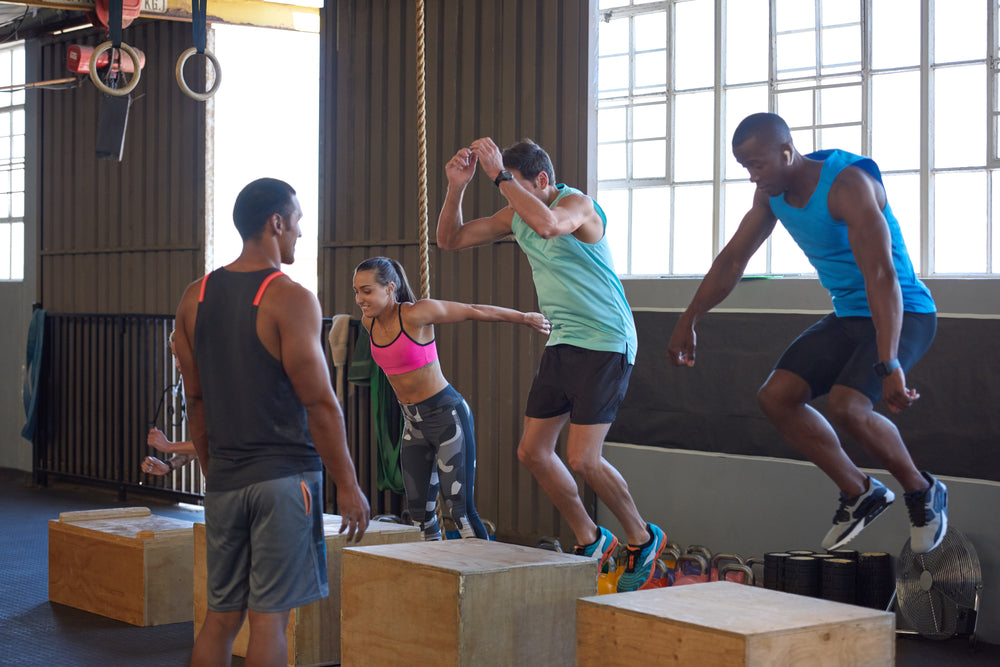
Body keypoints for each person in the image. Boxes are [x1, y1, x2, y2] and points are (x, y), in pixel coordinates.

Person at [667, 112, 947, 554]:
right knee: (775, 397)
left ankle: (922, 490)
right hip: (850, 315)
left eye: (759, 165)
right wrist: (690, 319)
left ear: (786, 151)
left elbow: (881, 275)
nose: (754, 177)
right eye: (746, 169)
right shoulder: (770, 195)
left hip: (904, 312)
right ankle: (860, 491)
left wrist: (890, 360)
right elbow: (732, 260)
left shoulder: (848, 185)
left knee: (848, 407)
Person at [437, 137, 666, 592]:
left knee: (583, 457)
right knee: (533, 452)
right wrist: (457, 187)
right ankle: (591, 538)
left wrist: (501, 177)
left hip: (605, 340)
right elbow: (450, 240)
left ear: (542, 181)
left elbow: (548, 225)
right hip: (562, 341)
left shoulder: (576, 205)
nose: (511, 200)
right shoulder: (519, 213)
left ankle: (642, 538)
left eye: (517, 188)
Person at [173, 177, 370, 667]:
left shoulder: (193, 298)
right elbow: (321, 403)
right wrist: (347, 484)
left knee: (220, 618)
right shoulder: (291, 298)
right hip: (284, 480)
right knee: (268, 619)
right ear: (276, 223)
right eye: (298, 221)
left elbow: (194, 399)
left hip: (224, 480)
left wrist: (212, 467)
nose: (301, 232)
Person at [353, 256, 551, 541]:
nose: (360, 298)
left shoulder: (416, 314)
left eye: (367, 290)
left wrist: (523, 317)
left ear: (390, 288)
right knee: (420, 514)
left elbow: (472, 310)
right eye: (356, 291)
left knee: (460, 511)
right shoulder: (368, 323)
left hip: (447, 418)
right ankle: (435, 577)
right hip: (413, 426)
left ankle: (483, 579)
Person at [142, 331, 197, 476]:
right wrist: (168, 465)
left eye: (181, 356)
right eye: (174, 356)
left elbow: (214, 445)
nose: (177, 364)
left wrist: (169, 446)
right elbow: (200, 445)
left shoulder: (220, 389)